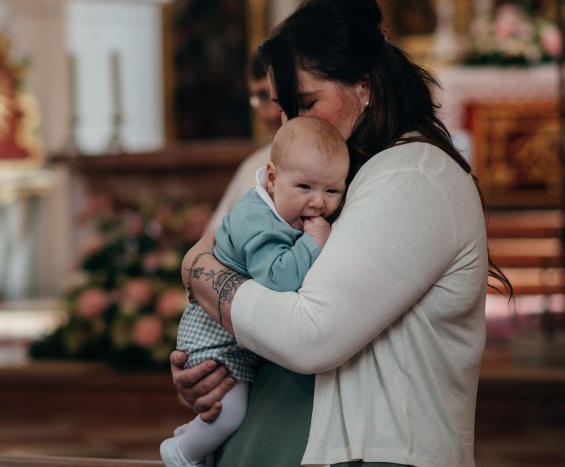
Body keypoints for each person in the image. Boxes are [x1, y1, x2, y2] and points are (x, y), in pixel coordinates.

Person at [170, 1, 513, 466]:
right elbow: (246, 264)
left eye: (308, 103)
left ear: (365, 85)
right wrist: (219, 368)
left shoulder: (414, 173)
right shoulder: (334, 177)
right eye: (289, 110)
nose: (297, 126)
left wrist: (197, 269)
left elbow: (309, 334)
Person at [161, 116, 349, 467]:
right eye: (305, 187)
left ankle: (192, 439)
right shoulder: (257, 218)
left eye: (332, 191)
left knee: (231, 409)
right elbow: (278, 279)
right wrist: (313, 242)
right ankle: (181, 454)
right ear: (274, 178)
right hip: (212, 329)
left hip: (237, 327)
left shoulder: (287, 211)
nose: (319, 203)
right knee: (230, 412)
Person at [205, 53, 284, 232]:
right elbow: (211, 238)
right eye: (260, 98)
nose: (270, 113)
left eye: (276, 97)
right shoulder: (251, 166)